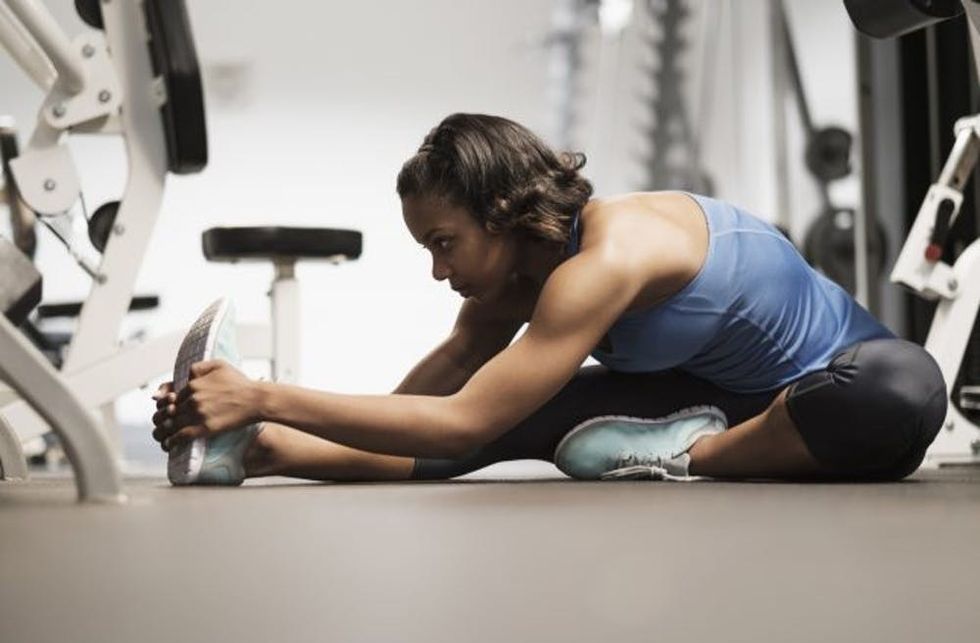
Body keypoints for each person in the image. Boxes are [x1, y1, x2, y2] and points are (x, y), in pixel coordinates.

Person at [151, 113, 947, 485]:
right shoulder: (514, 280)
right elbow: (438, 409)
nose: (437, 270)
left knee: (899, 394)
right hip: (715, 399)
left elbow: (460, 418)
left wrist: (264, 389)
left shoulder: (609, 258)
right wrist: (256, 424)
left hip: (830, 394)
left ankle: (680, 455)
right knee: (512, 418)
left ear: (500, 215)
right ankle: (249, 455)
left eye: (443, 242)